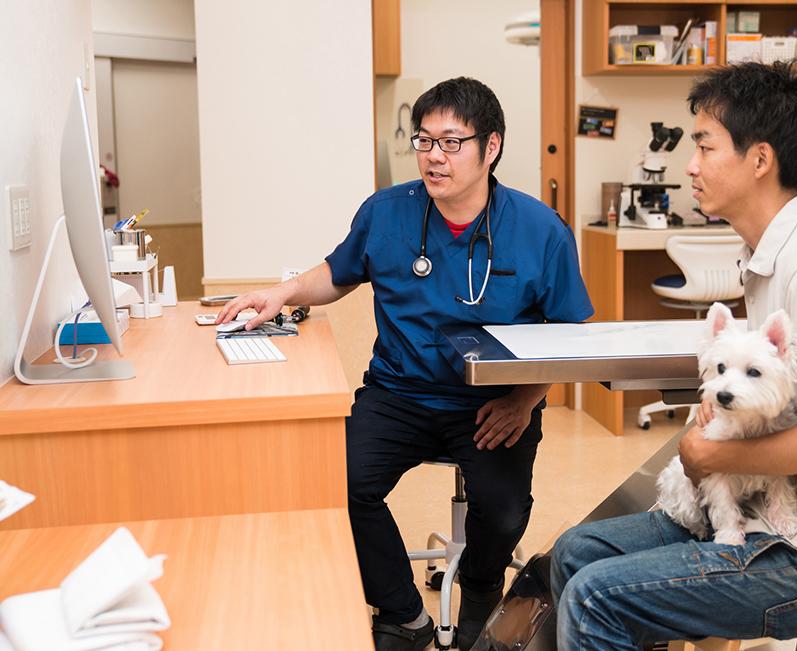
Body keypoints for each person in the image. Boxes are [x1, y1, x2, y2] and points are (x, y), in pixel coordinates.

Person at [218, 77, 593, 651]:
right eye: (423, 140)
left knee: (502, 510)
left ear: (490, 147)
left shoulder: (540, 230)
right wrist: (282, 293)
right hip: (400, 392)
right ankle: (403, 615)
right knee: (336, 482)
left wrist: (525, 400)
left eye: (450, 142)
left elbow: (569, 335)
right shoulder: (387, 212)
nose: (433, 156)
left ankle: (483, 589)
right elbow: (337, 273)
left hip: (493, 403)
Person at [550, 61, 797, 650]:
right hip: (753, 512)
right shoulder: (765, 256)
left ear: (760, 160)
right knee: (573, 553)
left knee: (594, 596)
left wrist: (709, 454)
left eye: (705, 146)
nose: (690, 165)